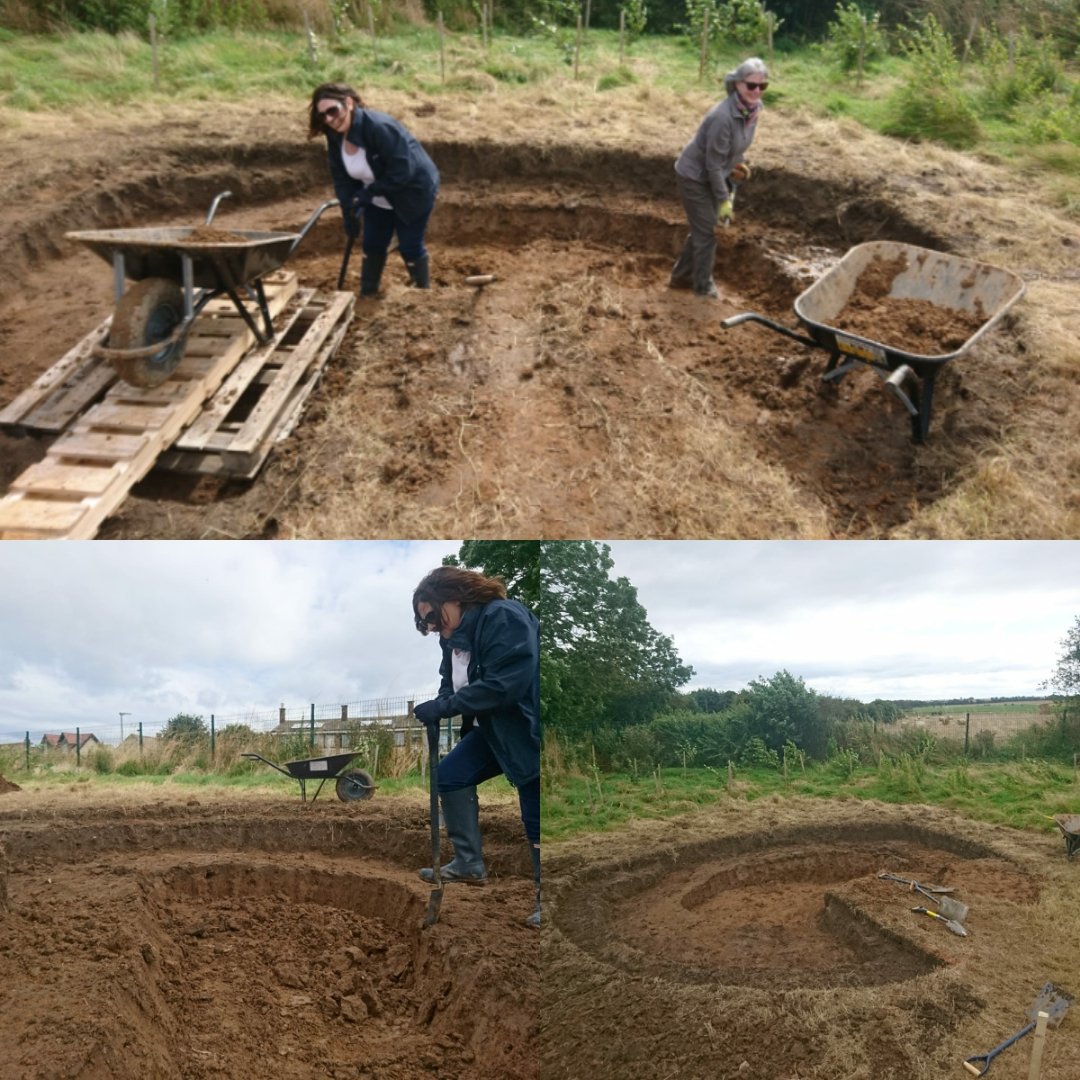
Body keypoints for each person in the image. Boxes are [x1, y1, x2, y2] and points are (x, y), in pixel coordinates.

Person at [411, 567, 541, 928]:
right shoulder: (452, 640)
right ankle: (469, 864)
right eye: (426, 624)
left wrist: (447, 707)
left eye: (433, 617)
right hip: (489, 730)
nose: (433, 627)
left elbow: (504, 684)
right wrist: (441, 703)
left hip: (524, 730)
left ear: (455, 596)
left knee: (536, 817)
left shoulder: (504, 617)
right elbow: (448, 684)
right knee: (450, 775)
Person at [308, 81, 439, 297]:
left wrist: (368, 193)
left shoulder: (379, 128)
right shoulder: (334, 135)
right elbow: (341, 178)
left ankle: (422, 296)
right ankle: (368, 293)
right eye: (323, 115)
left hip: (412, 191)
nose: (329, 119)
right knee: (373, 242)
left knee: (409, 244)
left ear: (348, 103)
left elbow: (402, 171)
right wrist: (348, 211)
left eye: (333, 111)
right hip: (377, 194)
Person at [669, 57, 768, 299]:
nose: (756, 91)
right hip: (694, 176)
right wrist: (724, 199)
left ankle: (681, 276)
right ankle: (703, 288)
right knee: (707, 233)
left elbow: (734, 148)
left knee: (702, 230)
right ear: (737, 84)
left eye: (762, 86)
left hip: (714, 173)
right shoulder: (723, 117)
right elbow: (712, 165)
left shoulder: (752, 111)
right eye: (751, 85)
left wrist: (738, 163)